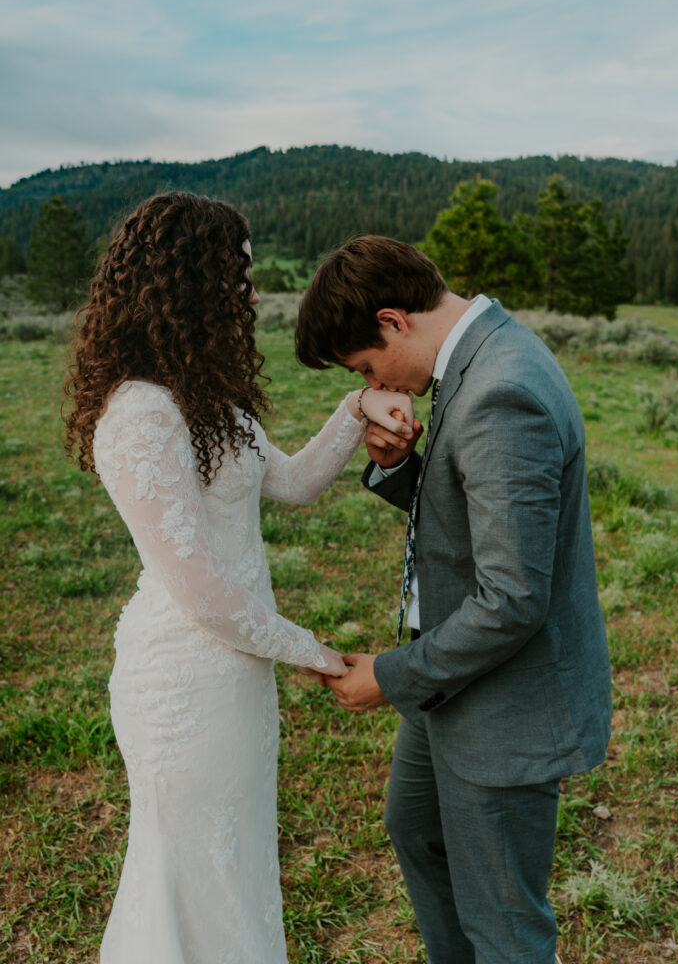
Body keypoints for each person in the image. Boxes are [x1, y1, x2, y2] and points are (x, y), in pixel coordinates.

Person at [64, 194, 415, 964]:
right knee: (192, 873)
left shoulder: (205, 399)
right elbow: (202, 593)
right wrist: (317, 654)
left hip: (236, 675)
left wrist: (357, 407)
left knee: (236, 864)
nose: (251, 293)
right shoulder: (140, 414)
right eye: (239, 274)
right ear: (186, 281)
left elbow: (289, 482)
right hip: (185, 677)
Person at [295, 235, 612, 964]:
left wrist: (391, 676)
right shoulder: (479, 359)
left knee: (506, 926)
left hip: (506, 710)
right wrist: (402, 467)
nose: (380, 384)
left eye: (367, 366)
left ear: (393, 320)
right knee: (417, 828)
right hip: (458, 691)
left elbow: (512, 598)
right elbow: (478, 520)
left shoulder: (500, 391)